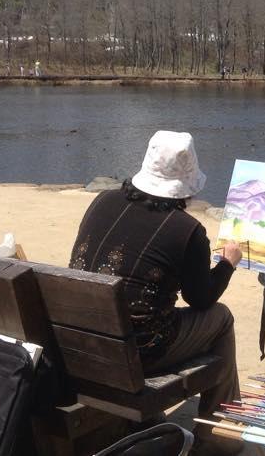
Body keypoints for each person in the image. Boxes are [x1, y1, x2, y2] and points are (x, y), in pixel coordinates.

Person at [69, 131, 243, 455]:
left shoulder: (102, 201)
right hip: (138, 351)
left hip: (81, 336)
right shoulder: (188, 230)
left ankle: (155, 423)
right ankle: (218, 438)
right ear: (186, 184)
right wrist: (228, 264)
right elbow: (202, 299)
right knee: (221, 319)